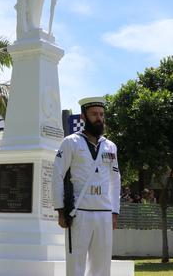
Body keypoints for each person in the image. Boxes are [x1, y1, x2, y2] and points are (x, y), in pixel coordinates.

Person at [52, 96, 121, 276]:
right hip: (80, 211)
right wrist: (60, 210)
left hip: (104, 211)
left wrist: (115, 211)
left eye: (101, 114)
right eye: (94, 114)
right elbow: (57, 176)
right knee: (76, 265)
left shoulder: (110, 146)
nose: (99, 118)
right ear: (83, 117)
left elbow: (115, 179)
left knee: (102, 265)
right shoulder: (70, 142)